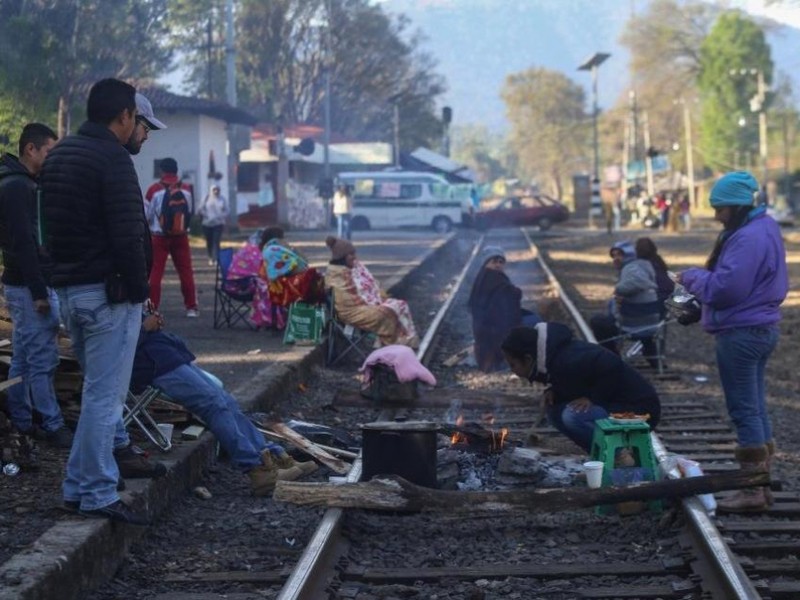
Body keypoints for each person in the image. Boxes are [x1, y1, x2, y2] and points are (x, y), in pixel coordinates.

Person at [40, 78, 151, 525]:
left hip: (69, 293)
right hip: (109, 295)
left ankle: (76, 487)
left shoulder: (59, 154)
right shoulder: (113, 159)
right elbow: (128, 234)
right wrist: (141, 293)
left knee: (94, 393)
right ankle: (97, 491)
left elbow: (45, 228)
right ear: (123, 116)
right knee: (106, 398)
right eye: (133, 119)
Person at [677, 171, 788, 512]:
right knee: (755, 408)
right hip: (759, 328)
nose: (716, 216)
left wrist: (692, 277)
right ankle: (761, 485)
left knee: (744, 410)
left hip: (741, 332)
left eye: (721, 209)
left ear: (737, 206)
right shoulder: (764, 228)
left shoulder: (747, 238)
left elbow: (727, 289)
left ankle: (752, 491)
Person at [127, 311, 317, 497]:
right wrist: (144, 327)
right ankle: (258, 470)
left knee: (227, 402)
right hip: (150, 362)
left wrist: (149, 322)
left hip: (162, 353)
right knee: (213, 405)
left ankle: (270, 457)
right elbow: (112, 345)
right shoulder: (101, 295)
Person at [0, 123, 72, 448]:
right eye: (48, 152)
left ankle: (23, 419)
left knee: (25, 357)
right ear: (31, 149)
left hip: (25, 283)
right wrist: (40, 291)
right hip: (29, 286)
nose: (51, 158)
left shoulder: (25, 183)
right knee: (42, 358)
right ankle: (52, 424)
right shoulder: (17, 187)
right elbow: (23, 244)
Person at [501, 322, 661, 453]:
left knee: (573, 416)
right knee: (555, 411)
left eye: (513, 364)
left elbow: (612, 364)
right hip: (617, 406)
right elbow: (576, 382)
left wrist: (592, 397)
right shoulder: (555, 357)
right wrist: (554, 391)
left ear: (528, 359)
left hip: (641, 413)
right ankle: (599, 455)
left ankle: (616, 456)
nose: (512, 370)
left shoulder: (566, 360)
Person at [325, 236, 419, 348]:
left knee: (400, 305)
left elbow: (364, 286)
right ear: (341, 257)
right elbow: (349, 301)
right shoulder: (337, 275)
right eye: (350, 255)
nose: (354, 257)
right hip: (352, 313)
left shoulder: (350, 268)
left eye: (354, 253)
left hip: (363, 307)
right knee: (387, 314)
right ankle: (392, 349)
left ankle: (404, 345)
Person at [467, 245, 541, 372]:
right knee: (535, 322)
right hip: (496, 331)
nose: (498, 265)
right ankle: (524, 359)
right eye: (494, 261)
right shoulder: (494, 278)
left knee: (531, 318)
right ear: (486, 263)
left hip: (487, 330)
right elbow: (507, 302)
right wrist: (515, 292)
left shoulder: (483, 277)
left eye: (501, 262)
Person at [589, 240, 661, 367]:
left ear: (629, 254)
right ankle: (654, 359)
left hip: (632, 325)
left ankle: (613, 359)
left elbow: (635, 282)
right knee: (640, 316)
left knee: (598, 322)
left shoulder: (631, 267)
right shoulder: (645, 265)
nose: (616, 258)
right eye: (614, 255)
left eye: (619, 255)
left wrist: (618, 290)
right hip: (652, 324)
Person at [145, 157, 199, 317]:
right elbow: (191, 212)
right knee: (186, 271)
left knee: (155, 272)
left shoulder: (154, 189)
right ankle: (191, 307)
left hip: (159, 237)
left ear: (161, 171)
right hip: (181, 235)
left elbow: (146, 214)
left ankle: (152, 308)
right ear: (176, 170)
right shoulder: (188, 189)